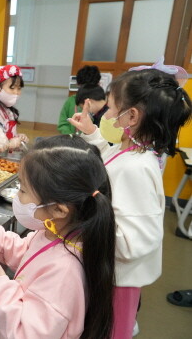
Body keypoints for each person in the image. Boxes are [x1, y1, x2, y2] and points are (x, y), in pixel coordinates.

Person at [68, 69, 192, 338]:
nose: (106, 116)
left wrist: (80, 224)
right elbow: (111, 155)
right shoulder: (132, 149)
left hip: (117, 281)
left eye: (111, 109)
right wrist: (91, 132)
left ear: (132, 116)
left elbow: (132, 241)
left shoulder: (136, 168)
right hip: (110, 272)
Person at [0, 135, 116, 339]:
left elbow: (25, 333)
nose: (18, 197)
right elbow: (27, 254)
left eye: (23, 190)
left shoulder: (65, 272)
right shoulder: (54, 233)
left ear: (59, 210)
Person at [58, 65, 102, 134]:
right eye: (83, 87)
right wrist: (70, 137)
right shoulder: (71, 101)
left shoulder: (101, 104)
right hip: (73, 141)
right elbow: (63, 123)